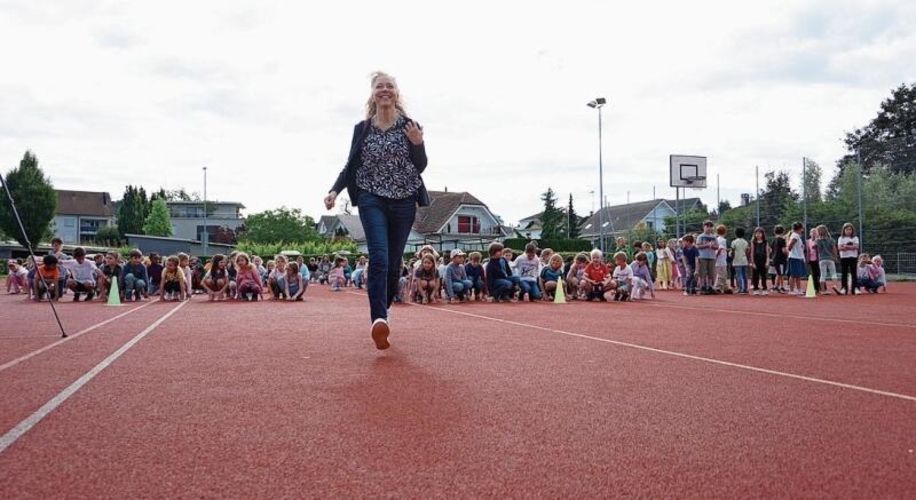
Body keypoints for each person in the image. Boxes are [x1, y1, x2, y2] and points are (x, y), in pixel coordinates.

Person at [324, 71, 428, 350]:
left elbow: (420, 166)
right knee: (379, 257)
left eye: (389, 86)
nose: (384, 90)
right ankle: (378, 319)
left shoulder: (410, 126)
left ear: (397, 93)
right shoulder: (362, 128)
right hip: (371, 199)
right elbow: (350, 165)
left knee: (394, 264)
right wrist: (335, 190)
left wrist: (418, 143)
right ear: (372, 94)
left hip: (404, 200)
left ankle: (385, 309)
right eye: (379, 86)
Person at [836, 222, 859, 295]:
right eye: (847, 230)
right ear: (844, 230)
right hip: (844, 257)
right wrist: (851, 247)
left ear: (852, 230)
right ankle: (844, 288)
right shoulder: (841, 238)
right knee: (844, 273)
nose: (848, 231)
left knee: (854, 273)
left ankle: (855, 288)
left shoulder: (855, 238)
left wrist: (846, 246)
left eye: (850, 229)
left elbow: (856, 247)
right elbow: (840, 248)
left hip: (853, 257)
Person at [816, 225, 839, 295]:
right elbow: (834, 249)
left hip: (822, 259)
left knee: (823, 274)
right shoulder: (831, 240)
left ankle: (823, 290)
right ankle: (835, 285)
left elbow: (818, 250)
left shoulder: (818, 240)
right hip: (830, 258)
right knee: (833, 273)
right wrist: (835, 257)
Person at [696, 221, 718, 294]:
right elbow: (698, 246)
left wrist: (713, 246)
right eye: (707, 226)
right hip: (703, 256)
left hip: (711, 256)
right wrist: (707, 245)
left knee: (711, 272)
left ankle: (709, 286)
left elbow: (717, 247)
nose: (708, 228)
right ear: (703, 227)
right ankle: (702, 286)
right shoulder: (700, 236)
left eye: (710, 226)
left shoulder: (713, 237)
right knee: (703, 272)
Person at [786, 222, 806, 295]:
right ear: (800, 228)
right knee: (794, 275)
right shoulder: (795, 235)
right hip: (795, 257)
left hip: (797, 257)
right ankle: (792, 290)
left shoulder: (796, 235)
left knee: (797, 275)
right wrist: (790, 248)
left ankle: (798, 289)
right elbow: (791, 244)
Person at [749, 227, 770, 296]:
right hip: (756, 260)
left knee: (764, 275)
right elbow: (752, 253)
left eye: (759, 233)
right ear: (754, 234)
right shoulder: (753, 242)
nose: (758, 235)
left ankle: (764, 288)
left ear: (762, 234)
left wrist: (767, 261)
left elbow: (767, 253)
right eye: (756, 233)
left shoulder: (765, 242)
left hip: (763, 260)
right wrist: (753, 263)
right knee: (755, 276)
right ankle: (756, 288)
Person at [730, 228, 750, 294]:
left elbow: (732, 252)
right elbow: (747, 252)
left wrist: (732, 258)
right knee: (744, 275)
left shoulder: (734, 242)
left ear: (735, 234)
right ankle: (745, 288)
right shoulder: (745, 242)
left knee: (739, 275)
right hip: (744, 260)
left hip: (737, 260)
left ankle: (740, 288)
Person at [713, 224, 731, 294]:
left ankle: (725, 287)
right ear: (725, 232)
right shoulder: (723, 240)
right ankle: (717, 287)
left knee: (724, 274)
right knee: (721, 274)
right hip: (721, 260)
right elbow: (720, 249)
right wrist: (717, 255)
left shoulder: (717, 239)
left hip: (719, 260)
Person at [771, 225, 788, 293]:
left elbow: (771, 249)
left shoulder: (774, 240)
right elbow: (784, 250)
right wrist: (788, 254)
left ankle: (781, 286)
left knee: (779, 273)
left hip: (775, 258)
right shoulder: (782, 240)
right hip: (781, 259)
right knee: (780, 273)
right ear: (783, 231)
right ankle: (776, 287)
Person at [805, 228, 821, 294]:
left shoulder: (819, 241)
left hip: (818, 259)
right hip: (811, 259)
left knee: (819, 273)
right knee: (814, 274)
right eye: (812, 232)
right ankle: (816, 288)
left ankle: (822, 287)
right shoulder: (807, 241)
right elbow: (806, 250)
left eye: (815, 232)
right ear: (810, 234)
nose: (813, 234)